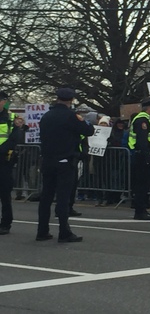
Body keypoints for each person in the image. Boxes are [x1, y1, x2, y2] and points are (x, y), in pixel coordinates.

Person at [36, 87, 95, 242]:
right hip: (65, 160)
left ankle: (42, 231)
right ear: (71, 100)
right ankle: (64, 231)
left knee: (46, 196)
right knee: (63, 197)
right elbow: (89, 130)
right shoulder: (71, 116)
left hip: (48, 160)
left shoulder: (47, 116)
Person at [0, 91, 18, 235]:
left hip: (4, 160)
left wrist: (3, 149)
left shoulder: (11, 117)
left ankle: (6, 223)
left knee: (5, 194)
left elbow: (15, 138)